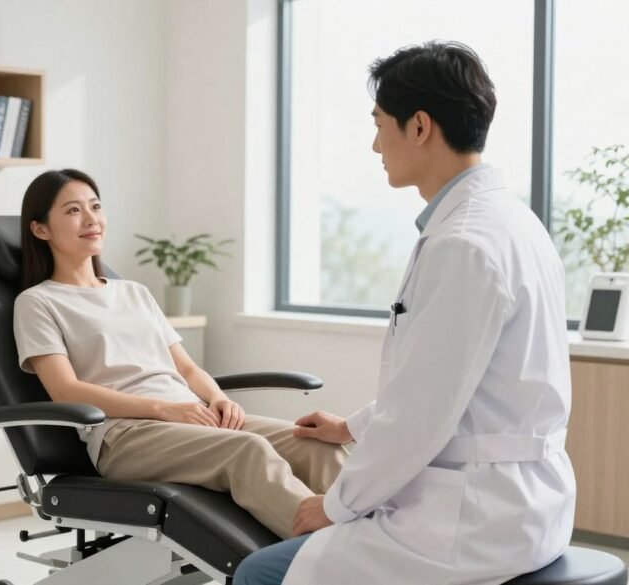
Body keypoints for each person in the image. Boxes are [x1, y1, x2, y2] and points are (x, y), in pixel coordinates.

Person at [234, 41, 576, 585]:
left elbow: (422, 414)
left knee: (259, 574)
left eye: (379, 124)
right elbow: (448, 382)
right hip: (529, 501)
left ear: (418, 127)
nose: (375, 145)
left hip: (474, 520)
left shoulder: (464, 243)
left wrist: (335, 505)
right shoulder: (512, 222)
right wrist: (351, 426)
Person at [13, 168, 348, 539]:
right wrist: (164, 409)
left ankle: (377, 547)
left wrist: (218, 398)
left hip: (191, 417)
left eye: (95, 206)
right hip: (127, 435)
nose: (91, 219)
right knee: (247, 451)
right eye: (73, 211)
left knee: (316, 444)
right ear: (40, 229)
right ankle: (330, 559)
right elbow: (65, 391)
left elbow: (186, 369)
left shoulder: (133, 292)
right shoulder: (37, 302)